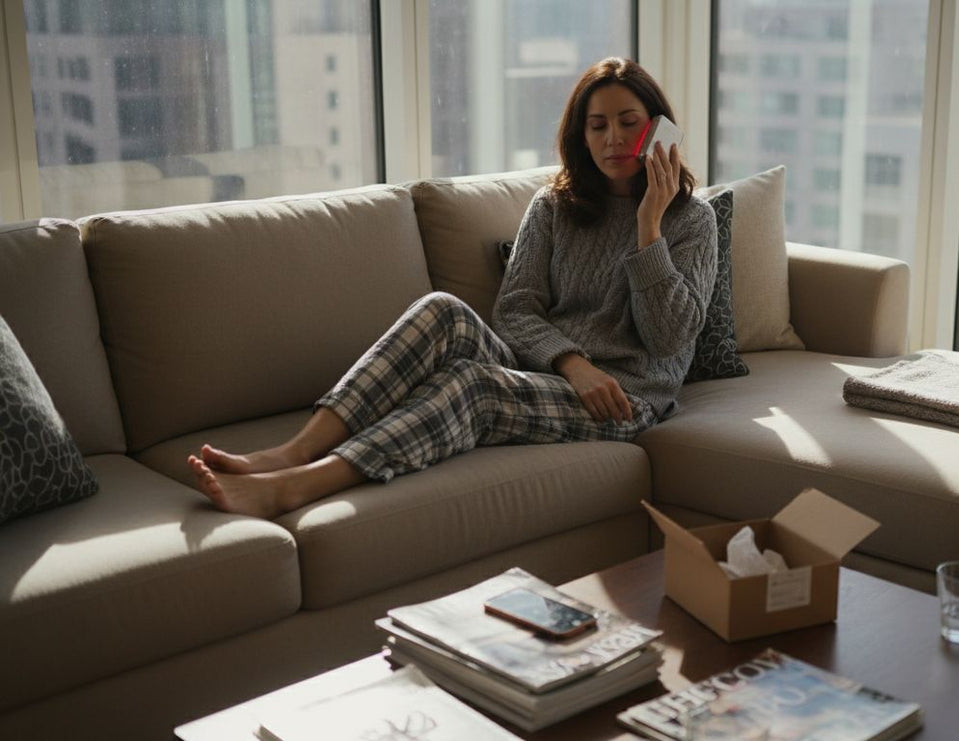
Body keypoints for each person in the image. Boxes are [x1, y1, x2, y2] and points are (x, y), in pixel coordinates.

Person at [186, 57, 718, 519]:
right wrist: (573, 365)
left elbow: (670, 339)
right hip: (551, 371)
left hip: (626, 399)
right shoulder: (554, 206)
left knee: (474, 385)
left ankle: (298, 487)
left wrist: (649, 229)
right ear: (580, 135)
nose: (613, 139)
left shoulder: (691, 222)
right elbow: (513, 312)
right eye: (597, 125)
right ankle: (292, 453)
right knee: (441, 310)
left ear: (657, 130)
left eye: (628, 123)